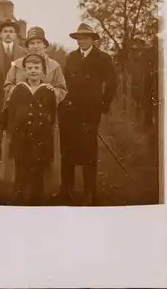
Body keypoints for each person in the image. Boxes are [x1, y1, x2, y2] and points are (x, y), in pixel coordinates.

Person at [0, 26, 67, 198]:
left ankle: (42, 190)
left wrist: (53, 93)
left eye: (39, 43)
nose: (35, 46)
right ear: (27, 46)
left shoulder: (54, 66)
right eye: (32, 43)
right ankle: (19, 188)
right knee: (20, 154)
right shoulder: (17, 65)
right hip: (21, 119)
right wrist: (17, 93)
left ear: (45, 45)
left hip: (45, 119)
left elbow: (62, 89)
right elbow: (7, 86)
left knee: (42, 156)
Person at [58, 23, 117, 206]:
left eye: (85, 38)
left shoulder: (103, 58)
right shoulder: (71, 57)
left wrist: (103, 104)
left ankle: (90, 192)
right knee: (67, 150)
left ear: (93, 39)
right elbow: (64, 82)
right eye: (79, 38)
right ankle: (66, 189)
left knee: (88, 151)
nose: (81, 41)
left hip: (89, 112)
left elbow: (112, 83)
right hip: (69, 111)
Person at [0, 54, 57, 205]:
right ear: (25, 70)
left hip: (41, 138)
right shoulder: (19, 89)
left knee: (38, 171)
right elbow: (10, 109)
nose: (33, 71)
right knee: (21, 168)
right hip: (21, 137)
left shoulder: (48, 91)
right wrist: (4, 125)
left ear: (42, 70)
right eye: (30, 68)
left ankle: (37, 199)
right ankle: (19, 197)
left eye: (37, 68)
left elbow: (52, 113)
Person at [0, 19, 26, 182]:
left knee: (17, 132)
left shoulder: (23, 53)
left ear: (16, 35)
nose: (8, 34)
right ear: (0, 35)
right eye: (5, 31)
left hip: (18, 99)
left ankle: (15, 170)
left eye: (11, 31)